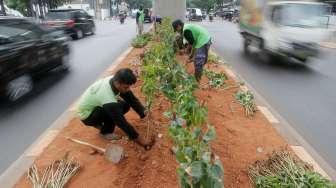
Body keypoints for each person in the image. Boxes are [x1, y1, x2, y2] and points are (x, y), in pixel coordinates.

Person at [77, 68, 153, 149]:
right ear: (117, 83)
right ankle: (105, 132)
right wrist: (140, 140)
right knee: (113, 112)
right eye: (126, 87)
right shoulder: (107, 96)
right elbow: (121, 122)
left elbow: (132, 100)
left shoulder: (115, 80)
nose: (128, 89)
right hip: (87, 116)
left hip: (96, 107)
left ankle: (101, 123)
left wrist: (143, 113)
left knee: (125, 105)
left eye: (129, 87)